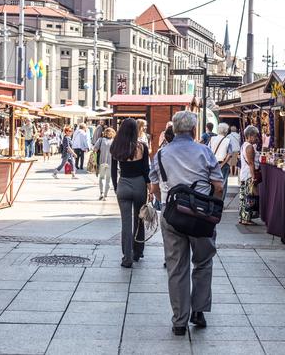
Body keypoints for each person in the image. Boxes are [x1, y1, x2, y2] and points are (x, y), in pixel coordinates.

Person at [149, 111, 223, 336]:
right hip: (201, 215)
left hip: (173, 215)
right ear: (193, 130)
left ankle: (179, 321)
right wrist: (214, 207)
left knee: (176, 267)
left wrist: (168, 205)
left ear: (174, 130)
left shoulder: (161, 154)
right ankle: (198, 311)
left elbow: (154, 189)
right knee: (203, 262)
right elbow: (218, 186)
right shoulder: (205, 151)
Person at [111, 118, 151, 268]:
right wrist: (149, 188)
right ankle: (138, 252)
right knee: (139, 220)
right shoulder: (142, 147)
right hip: (139, 184)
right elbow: (146, 170)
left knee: (126, 224)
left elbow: (113, 171)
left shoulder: (116, 146)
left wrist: (116, 187)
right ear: (136, 130)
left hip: (124, 185)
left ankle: (127, 257)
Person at [239, 126, 261, 225]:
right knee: (249, 197)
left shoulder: (245, 145)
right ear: (250, 135)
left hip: (244, 173)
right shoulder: (249, 147)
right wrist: (253, 177)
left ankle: (243, 217)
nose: (257, 138)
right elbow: (251, 163)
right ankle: (246, 218)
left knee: (245, 197)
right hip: (248, 174)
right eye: (255, 136)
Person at [209, 122, 233, 200]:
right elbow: (229, 154)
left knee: (212, 182)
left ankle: (212, 199)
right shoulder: (228, 140)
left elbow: (208, 151)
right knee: (223, 184)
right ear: (226, 131)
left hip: (212, 164)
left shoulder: (212, 139)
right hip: (223, 165)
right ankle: (220, 201)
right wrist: (223, 163)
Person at [93, 127, 115, 201]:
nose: (109, 133)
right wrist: (94, 153)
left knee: (108, 180)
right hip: (102, 162)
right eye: (107, 132)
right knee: (102, 178)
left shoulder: (115, 141)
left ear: (113, 133)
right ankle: (101, 193)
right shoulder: (101, 140)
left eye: (110, 132)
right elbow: (95, 148)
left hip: (111, 163)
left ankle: (105, 194)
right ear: (105, 133)